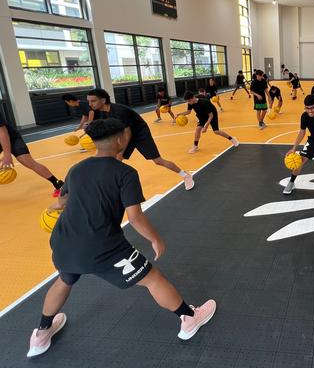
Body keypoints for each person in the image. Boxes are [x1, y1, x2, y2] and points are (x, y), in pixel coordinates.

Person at [26, 119, 216, 358]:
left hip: (64, 240)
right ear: (120, 140)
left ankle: (41, 333)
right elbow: (134, 217)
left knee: (65, 278)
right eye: (127, 133)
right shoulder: (125, 173)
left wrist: (53, 208)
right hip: (102, 247)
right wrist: (156, 240)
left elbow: (62, 201)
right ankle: (189, 318)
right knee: (153, 278)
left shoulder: (77, 168)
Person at [87, 88, 194, 190]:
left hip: (140, 134)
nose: (90, 104)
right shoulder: (100, 112)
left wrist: (120, 151)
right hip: (124, 134)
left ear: (103, 100)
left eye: (93, 101)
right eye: (89, 101)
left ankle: (185, 175)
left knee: (158, 161)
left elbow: (127, 133)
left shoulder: (119, 111)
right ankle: (108, 185)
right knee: (114, 159)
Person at [0, 111, 64, 197]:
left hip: (11, 138)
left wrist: (7, 154)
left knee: (28, 162)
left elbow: (3, 133)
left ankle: (58, 185)